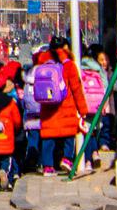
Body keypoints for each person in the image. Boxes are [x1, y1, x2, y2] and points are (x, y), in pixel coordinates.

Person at [36, 37, 90, 176]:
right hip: (66, 107)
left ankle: (47, 166)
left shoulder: (42, 64)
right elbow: (76, 89)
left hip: (48, 109)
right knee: (69, 135)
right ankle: (67, 159)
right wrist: (83, 110)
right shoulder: (69, 65)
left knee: (48, 138)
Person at [0, 71, 23, 189]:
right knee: (7, 160)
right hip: (7, 136)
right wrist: (16, 130)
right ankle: (5, 174)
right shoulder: (11, 102)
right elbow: (17, 120)